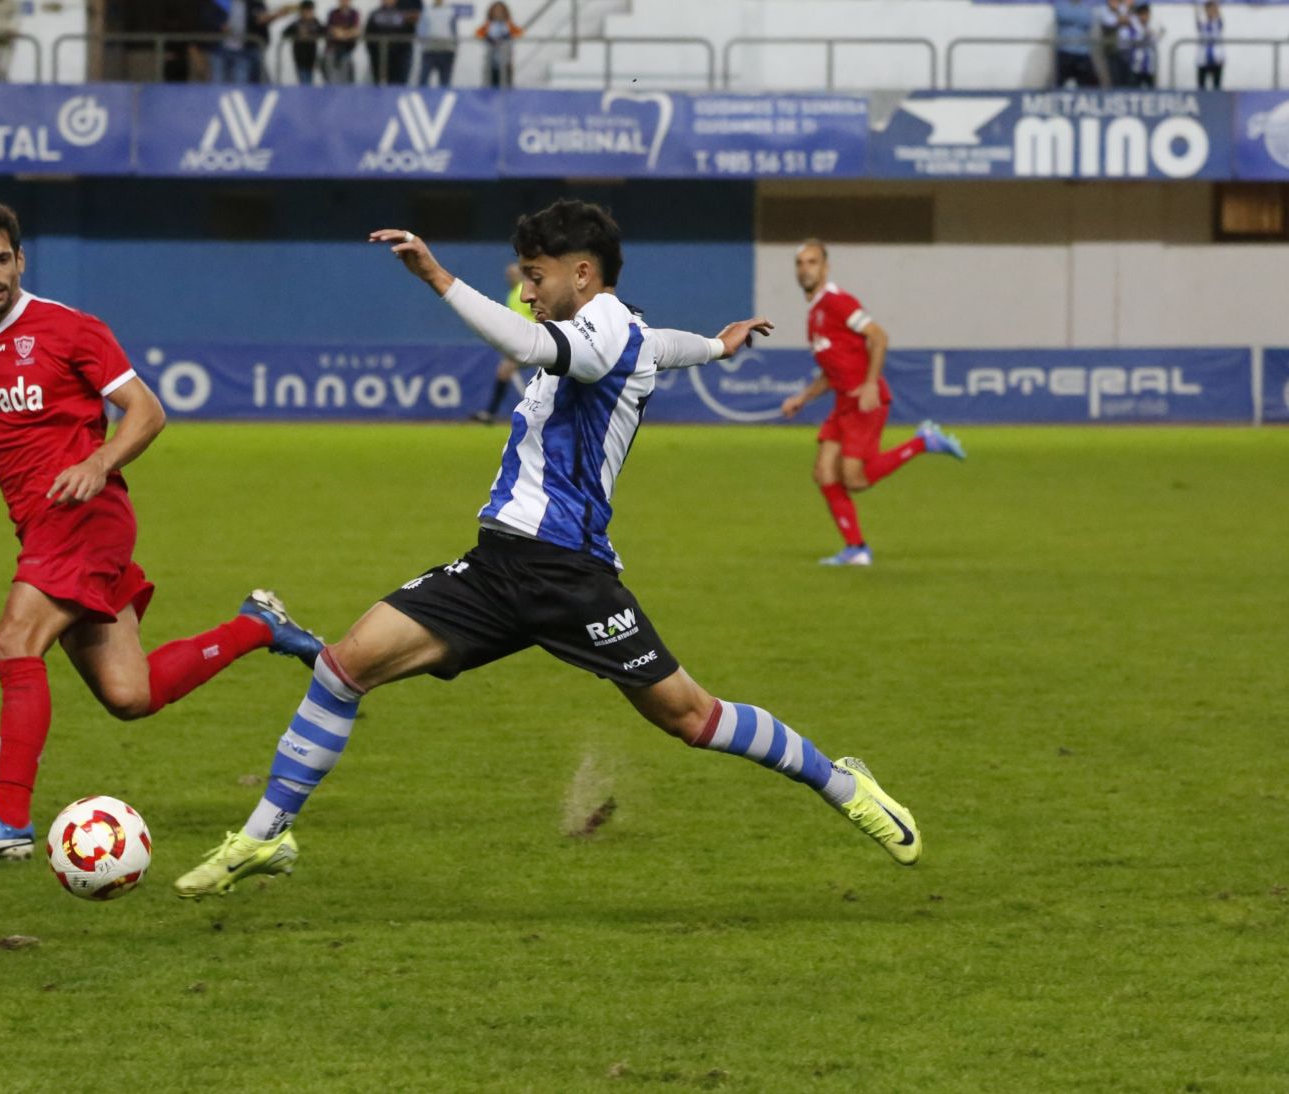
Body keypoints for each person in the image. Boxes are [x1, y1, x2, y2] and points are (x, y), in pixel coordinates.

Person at [173, 201, 924, 900]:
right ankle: (265, 837)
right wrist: (718, 347)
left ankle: (843, 783)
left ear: (582, 274)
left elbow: (545, 342)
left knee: (692, 718)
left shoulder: (601, 333)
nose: (527, 292)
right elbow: (663, 342)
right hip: (498, 566)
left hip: (571, 577)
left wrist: (435, 275)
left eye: (536, 276)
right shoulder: (622, 331)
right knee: (342, 669)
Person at [0, 194, 324, 860]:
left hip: (87, 518)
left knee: (13, 643)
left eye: (3, 258)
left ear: (20, 258)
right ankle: (257, 625)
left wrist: (99, 460)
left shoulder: (70, 329)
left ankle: (8, 822)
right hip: (41, 532)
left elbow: (146, 412)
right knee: (130, 694)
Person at [778, 240, 965, 568]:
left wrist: (868, 385)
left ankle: (923, 442)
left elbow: (879, 336)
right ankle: (856, 549)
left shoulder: (838, 302)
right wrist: (802, 399)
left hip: (866, 402)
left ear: (825, 267)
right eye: (800, 263)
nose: (805, 268)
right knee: (824, 473)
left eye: (812, 262)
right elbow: (830, 372)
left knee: (855, 480)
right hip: (843, 403)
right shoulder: (815, 314)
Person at [471, 262, 533, 423]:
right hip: (522, 341)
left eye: (512, 274)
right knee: (504, 371)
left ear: (520, 275)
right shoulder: (512, 294)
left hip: (533, 340)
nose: (509, 277)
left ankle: (493, 412)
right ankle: (491, 413)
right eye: (508, 275)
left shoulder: (523, 291)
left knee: (506, 370)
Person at [1052, 0, 1098, 89]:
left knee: (1088, 85)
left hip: (1082, 51)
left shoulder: (1086, 7)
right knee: (1060, 83)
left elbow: (1088, 19)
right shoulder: (1061, 5)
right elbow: (1061, 15)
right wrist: (1078, 17)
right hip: (1065, 50)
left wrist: (1072, 17)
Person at [476, 2, 522, 88]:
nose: (498, 13)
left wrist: (507, 36)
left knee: (506, 86)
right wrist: (488, 38)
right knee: (490, 85)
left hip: (506, 63)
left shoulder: (508, 24)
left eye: (501, 11)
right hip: (491, 63)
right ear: (491, 12)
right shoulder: (488, 24)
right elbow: (478, 33)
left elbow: (519, 32)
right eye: (496, 11)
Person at [415, 0, 459, 87]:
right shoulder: (426, 11)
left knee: (445, 80)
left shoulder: (450, 11)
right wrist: (424, 42)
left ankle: (445, 97)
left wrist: (454, 46)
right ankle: (422, 96)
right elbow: (421, 29)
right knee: (423, 78)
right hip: (429, 48)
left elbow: (454, 30)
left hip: (446, 48)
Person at [364, 0, 404, 85]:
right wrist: (374, 51)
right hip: (377, 56)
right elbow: (368, 34)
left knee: (395, 83)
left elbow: (404, 35)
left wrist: (398, 52)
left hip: (396, 58)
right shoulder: (375, 14)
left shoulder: (401, 14)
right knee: (378, 82)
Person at [322, 0, 362, 82]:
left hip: (347, 50)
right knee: (331, 77)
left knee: (346, 78)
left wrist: (344, 34)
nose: (344, 2)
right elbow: (331, 30)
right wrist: (343, 33)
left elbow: (356, 30)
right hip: (332, 50)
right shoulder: (333, 13)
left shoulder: (354, 13)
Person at [285, 0, 323, 84]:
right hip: (299, 56)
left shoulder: (315, 22)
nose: (308, 13)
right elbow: (285, 33)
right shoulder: (297, 23)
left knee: (310, 79)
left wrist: (311, 35)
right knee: (303, 79)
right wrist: (298, 35)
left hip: (312, 56)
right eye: (306, 11)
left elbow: (324, 31)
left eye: (310, 11)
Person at [1091, 0, 1127, 88]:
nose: (1114, 2)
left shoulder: (1122, 9)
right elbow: (1110, 23)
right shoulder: (1103, 10)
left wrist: (1120, 15)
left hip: (1124, 50)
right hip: (1110, 51)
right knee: (1113, 78)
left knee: (1125, 79)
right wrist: (1120, 17)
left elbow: (1128, 20)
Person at [1124, 3, 1159, 89]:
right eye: (1143, 14)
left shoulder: (1151, 26)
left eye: (1147, 14)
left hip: (1150, 66)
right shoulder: (1134, 27)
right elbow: (1134, 40)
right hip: (1137, 65)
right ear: (1139, 15)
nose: (1145, 17)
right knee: (1134, 90)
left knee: (1151, 90)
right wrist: (1145, 34)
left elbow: (1155, 40)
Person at [1196, 0, 1225, 90]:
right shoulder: (1202, 23)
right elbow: (1197, 16)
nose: (1211, 11)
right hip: (1203, 57)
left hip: (1217, 56)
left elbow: (1219, 18)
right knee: (1201, 85)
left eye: (1213, 9)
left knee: (1217, 85)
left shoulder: (1218, 23)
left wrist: (1216, 5)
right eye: (1209, 9)